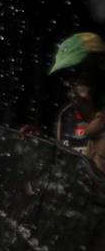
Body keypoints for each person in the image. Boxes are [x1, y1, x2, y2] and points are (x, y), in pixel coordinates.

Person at [47, 32, 105, 172]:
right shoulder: (67, 115)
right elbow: (62, 168)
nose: (70, 83)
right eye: (65, 75)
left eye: (75, 71)